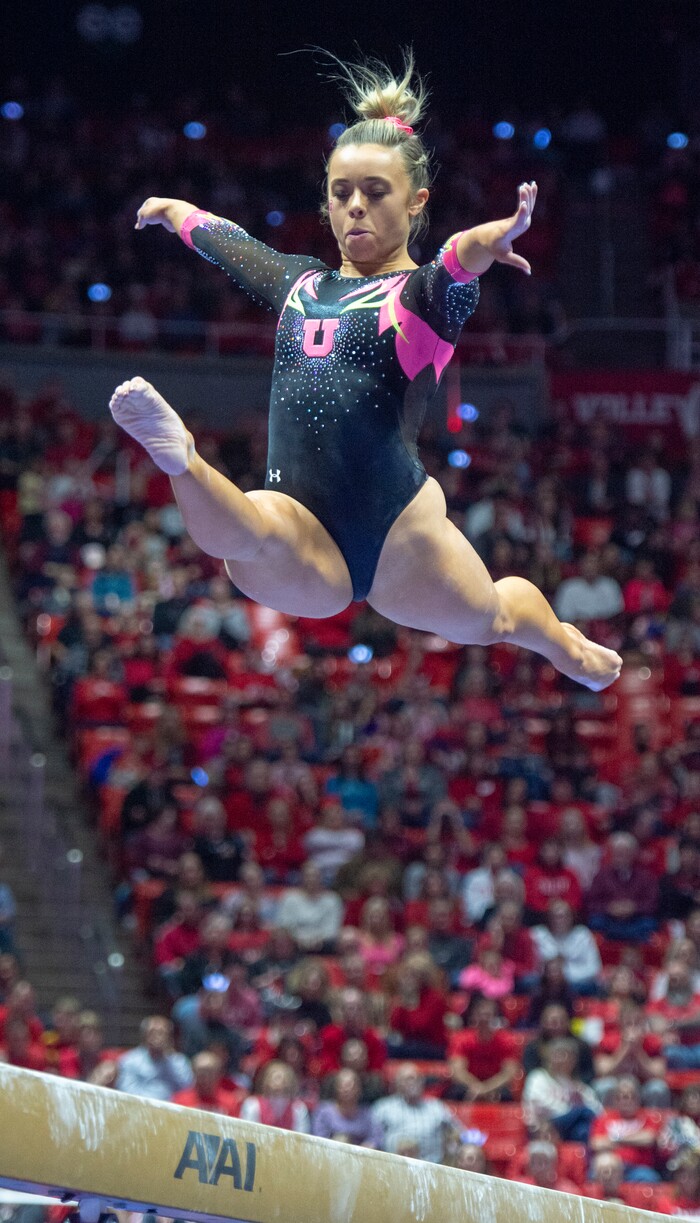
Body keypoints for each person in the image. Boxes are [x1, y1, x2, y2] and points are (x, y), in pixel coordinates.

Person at [109, 52, 621, 693]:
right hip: (301, 526)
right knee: (246, 537)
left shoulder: (419, 298)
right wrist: (179, 212)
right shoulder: (301, 285)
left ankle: (564, 644)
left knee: (489, 615)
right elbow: (237, 249)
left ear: (416, 203)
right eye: (340, 192)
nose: (354, 206)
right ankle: (178, 455)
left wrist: (496, 236)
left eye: (375, 193)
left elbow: (459, 259)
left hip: (399, 531)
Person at [371, 1062, 456, 1162]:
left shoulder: (436, 1107)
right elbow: (372, 1139)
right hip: (392, 1166)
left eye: (417, 1078)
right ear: (397, 1083)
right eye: (407, 1079)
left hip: (431, 1168)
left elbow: (458, 1133)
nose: (413, 1082)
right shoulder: (383, 1108)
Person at [115, 1014, 193, 1100]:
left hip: (172, 1108)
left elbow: (187, 1088)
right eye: (152, 1032)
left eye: (161, 1033)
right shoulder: (129, 1060)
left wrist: (166, 1058)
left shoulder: (179, 1061)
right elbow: (126, 1091)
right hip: (141, 1107)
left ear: (169, 1037)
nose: (157, 1037)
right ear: (144, 1036)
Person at [312, 1067, 384, 1147]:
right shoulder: (324, 1112)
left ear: (358, 1088)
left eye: (350, 1085)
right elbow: (318, 1139)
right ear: (335, 1088)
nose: (346, 1089)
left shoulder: (367, 1113)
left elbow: (377, 1137)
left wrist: (367, 1146)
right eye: (342, 1085)